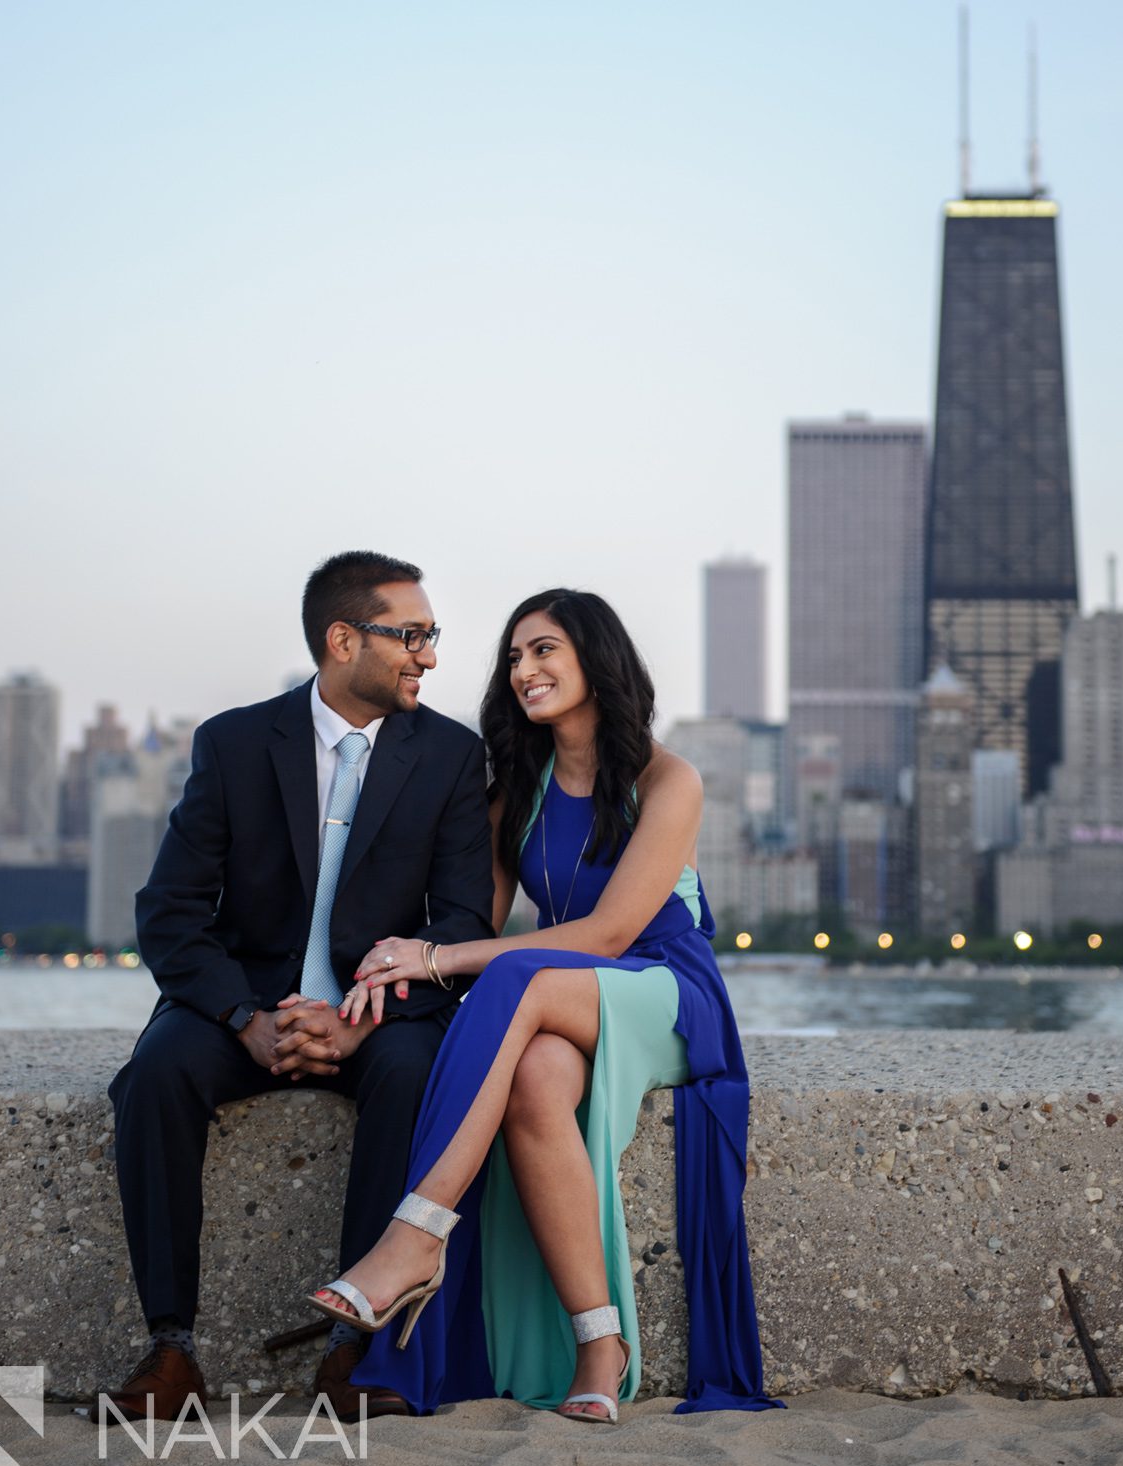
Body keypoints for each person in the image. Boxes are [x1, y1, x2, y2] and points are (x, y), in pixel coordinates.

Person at [311, 588, 779, 1420]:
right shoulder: (513, 795)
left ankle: (417, 1236)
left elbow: (604, 936)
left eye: (544, 650)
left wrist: (435, 956)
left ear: (595, 660)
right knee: (530, 1079)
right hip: (558, 997)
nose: (524, 670)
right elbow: (476, 928)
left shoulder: (666, 779)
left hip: (662, 989)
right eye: (514, 657)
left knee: (512, 981)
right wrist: (371, 994)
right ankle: (600, 1342)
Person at [96, 552, 495, 1425]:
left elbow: (462, 923)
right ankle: (172, 1350)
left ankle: (354, 1350)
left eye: (433, 637)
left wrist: (360, 1018)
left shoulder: (454, 758)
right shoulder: (236, 742)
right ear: (341, 639)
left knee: (414, 1075)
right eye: (412, 635)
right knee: (156, 1075)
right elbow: (169, 912)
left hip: (380, 1013)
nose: (428, 655)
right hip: (241, 1003)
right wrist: (244, 1016)